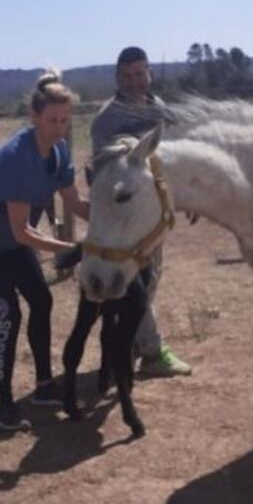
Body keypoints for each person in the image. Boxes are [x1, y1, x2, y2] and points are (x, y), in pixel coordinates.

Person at [0, 70, 90, 430]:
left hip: (14, 241)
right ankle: (4, 407)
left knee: (42, 302)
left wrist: (115, 214)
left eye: (64, 120)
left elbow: (76, 202)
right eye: (51, 120)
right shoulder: (17, 157)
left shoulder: (59, 151)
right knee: (10, 314)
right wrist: (73, 248)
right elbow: (23, 231)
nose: (59, 128)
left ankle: (44, 387)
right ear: (34, 117)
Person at [89, 46, 193, 378]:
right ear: (118, 78)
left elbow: (178, 156)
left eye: (140, 74)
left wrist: (186, 198)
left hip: (154, 212)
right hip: (126, 219)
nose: (135, 81)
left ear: (149, 73)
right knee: (137, 280)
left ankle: (134, 342)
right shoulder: (107, 120)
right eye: (127, 76)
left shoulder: (159, 109)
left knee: (151, 278)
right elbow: (108, 175)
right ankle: (151, 350)